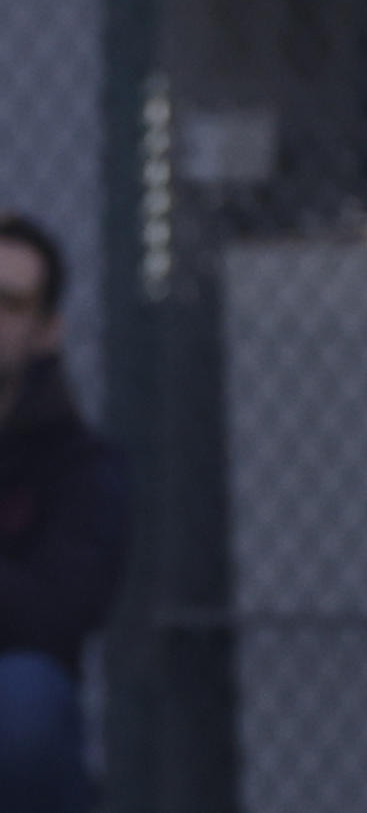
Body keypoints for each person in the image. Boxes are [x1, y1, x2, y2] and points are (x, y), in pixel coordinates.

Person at [0, 213, 128, 813]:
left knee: (25, 701)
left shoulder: (79, 467)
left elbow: (57, 617)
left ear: (46, 329)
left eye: (8, 302)